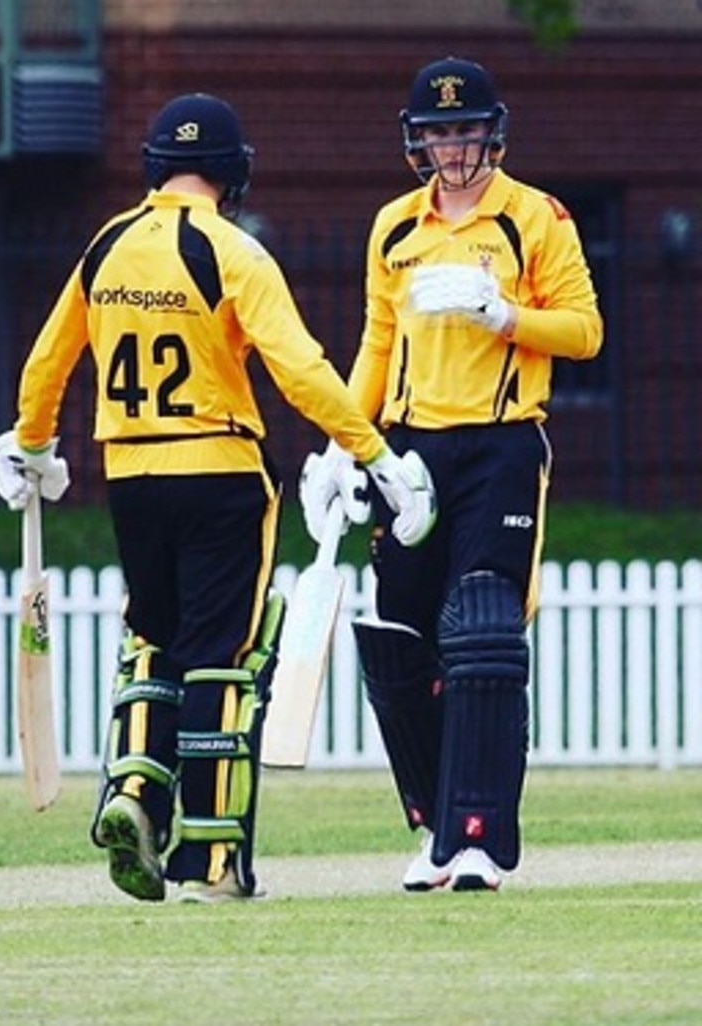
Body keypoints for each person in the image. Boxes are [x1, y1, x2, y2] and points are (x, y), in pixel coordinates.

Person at [0, 92, 436, 904]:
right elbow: (298, 368)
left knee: (155, 638)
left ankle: (133, 795)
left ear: (156, 167)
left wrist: (32, 444)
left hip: (131, 476)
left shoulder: (105, 246)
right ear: (231, 173)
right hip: (219, 470)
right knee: (222, 657)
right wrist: (374, 453)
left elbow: (47, 363)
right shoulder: (232, 251)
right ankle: (210, 864)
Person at [300, 56, 603, 891]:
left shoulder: (534, 218)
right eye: (438, 132)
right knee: (404, 644)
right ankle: (434, 828)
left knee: (481, 631)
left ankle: (478, 835)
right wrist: (344, 445)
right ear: (417, 140)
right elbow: (375, 345)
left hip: (501, 446)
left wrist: (501, 314)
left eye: (465, 129)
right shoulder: (394, 227)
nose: (454, 146)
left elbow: (585, 332)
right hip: (410, 454)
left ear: (491, 132)